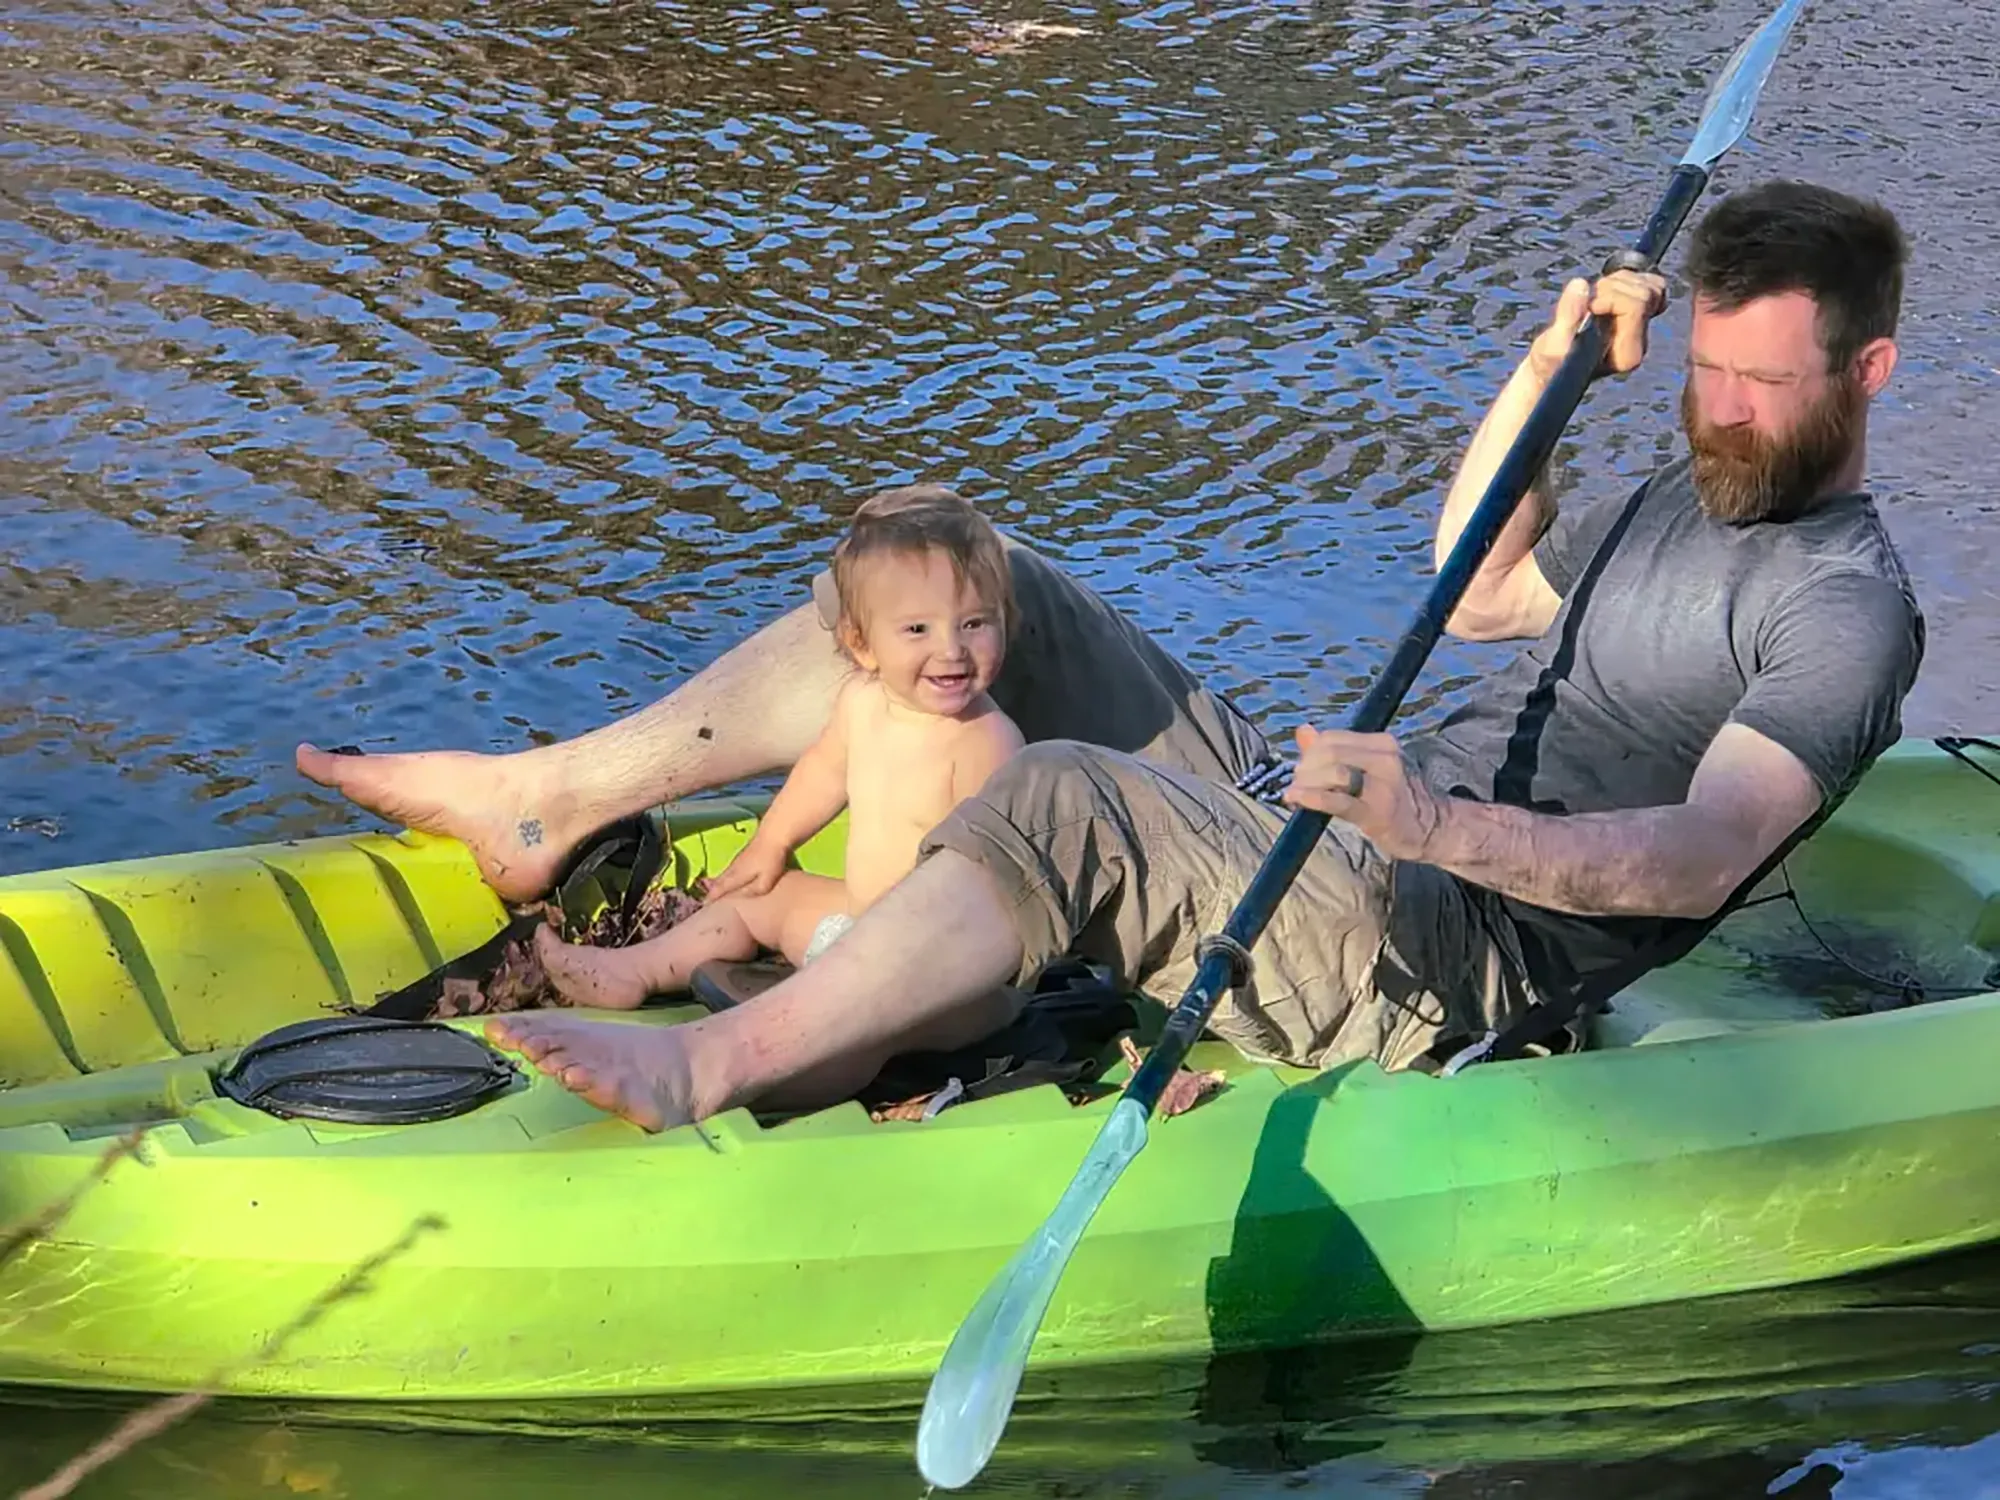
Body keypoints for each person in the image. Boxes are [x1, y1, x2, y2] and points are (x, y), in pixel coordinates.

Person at [297, 179, 1924, 1131]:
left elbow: (1698, 856)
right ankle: (550, 799)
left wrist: (1427, 826)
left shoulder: (1845, 609)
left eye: (1759, 385)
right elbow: (1476, 577)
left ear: (1870, 372)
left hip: (1446, 953)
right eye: (1705, 369)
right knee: (963, 571)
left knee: (1069, 793)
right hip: (1348, 827)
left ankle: (713, 1061)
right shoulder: (1683, 489)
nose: (1717, 408)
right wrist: (1553, 362)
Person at [529, 487, 1026, 1014]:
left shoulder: (986, 742)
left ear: (1004, 621)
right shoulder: (860, 702)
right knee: (756, 900)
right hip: (857, 929)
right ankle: (635, 971)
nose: (950, 649)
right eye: (917, 629)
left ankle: (815, 1037)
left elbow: (994, 881)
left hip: (931, 970)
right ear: (862, 645)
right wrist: (771, 843)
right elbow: (823, 772)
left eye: (974, 623)